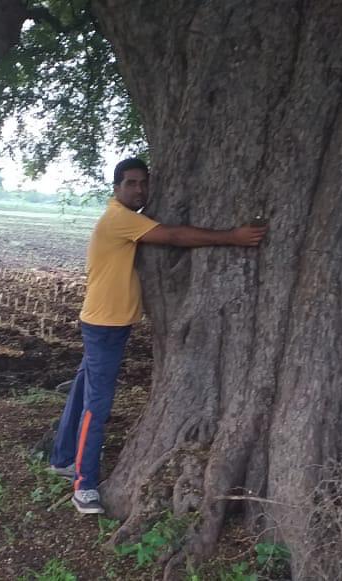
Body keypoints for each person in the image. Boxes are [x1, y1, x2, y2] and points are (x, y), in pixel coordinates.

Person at [49, 157, 267, 514]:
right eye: (131, 183)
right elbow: (175, 236)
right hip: (105, 325)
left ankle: (61, 458)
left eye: (143, 183)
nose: (139, 189)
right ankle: (83, 485)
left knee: (83, 388)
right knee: (96, 405)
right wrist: (232, 237)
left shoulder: (125, 217)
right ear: (116, 188)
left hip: (104, 321)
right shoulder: (120, 219)